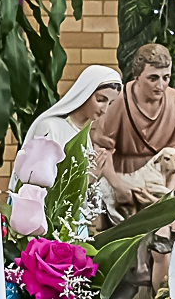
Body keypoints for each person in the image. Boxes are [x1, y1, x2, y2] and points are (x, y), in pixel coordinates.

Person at [96, 44, 175, 299]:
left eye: (166, 77)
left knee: (162, 248)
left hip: (160, 187)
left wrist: (168, 192)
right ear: (137, 76)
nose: (161, 85)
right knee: (122, 252)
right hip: (123, 183)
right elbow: (102, 151)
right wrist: (119, 185)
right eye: (153, 78)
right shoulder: (119, 103)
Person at [25, 64, 121, 228]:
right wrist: (86, 178)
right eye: (100, 100)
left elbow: (83, 200)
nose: (105, 110)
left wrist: (93, 178)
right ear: (85, 92)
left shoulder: (84, 136)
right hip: (47, 223)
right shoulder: (50, 127)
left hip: (73, 226)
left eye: (110, 103)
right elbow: (37, 183)